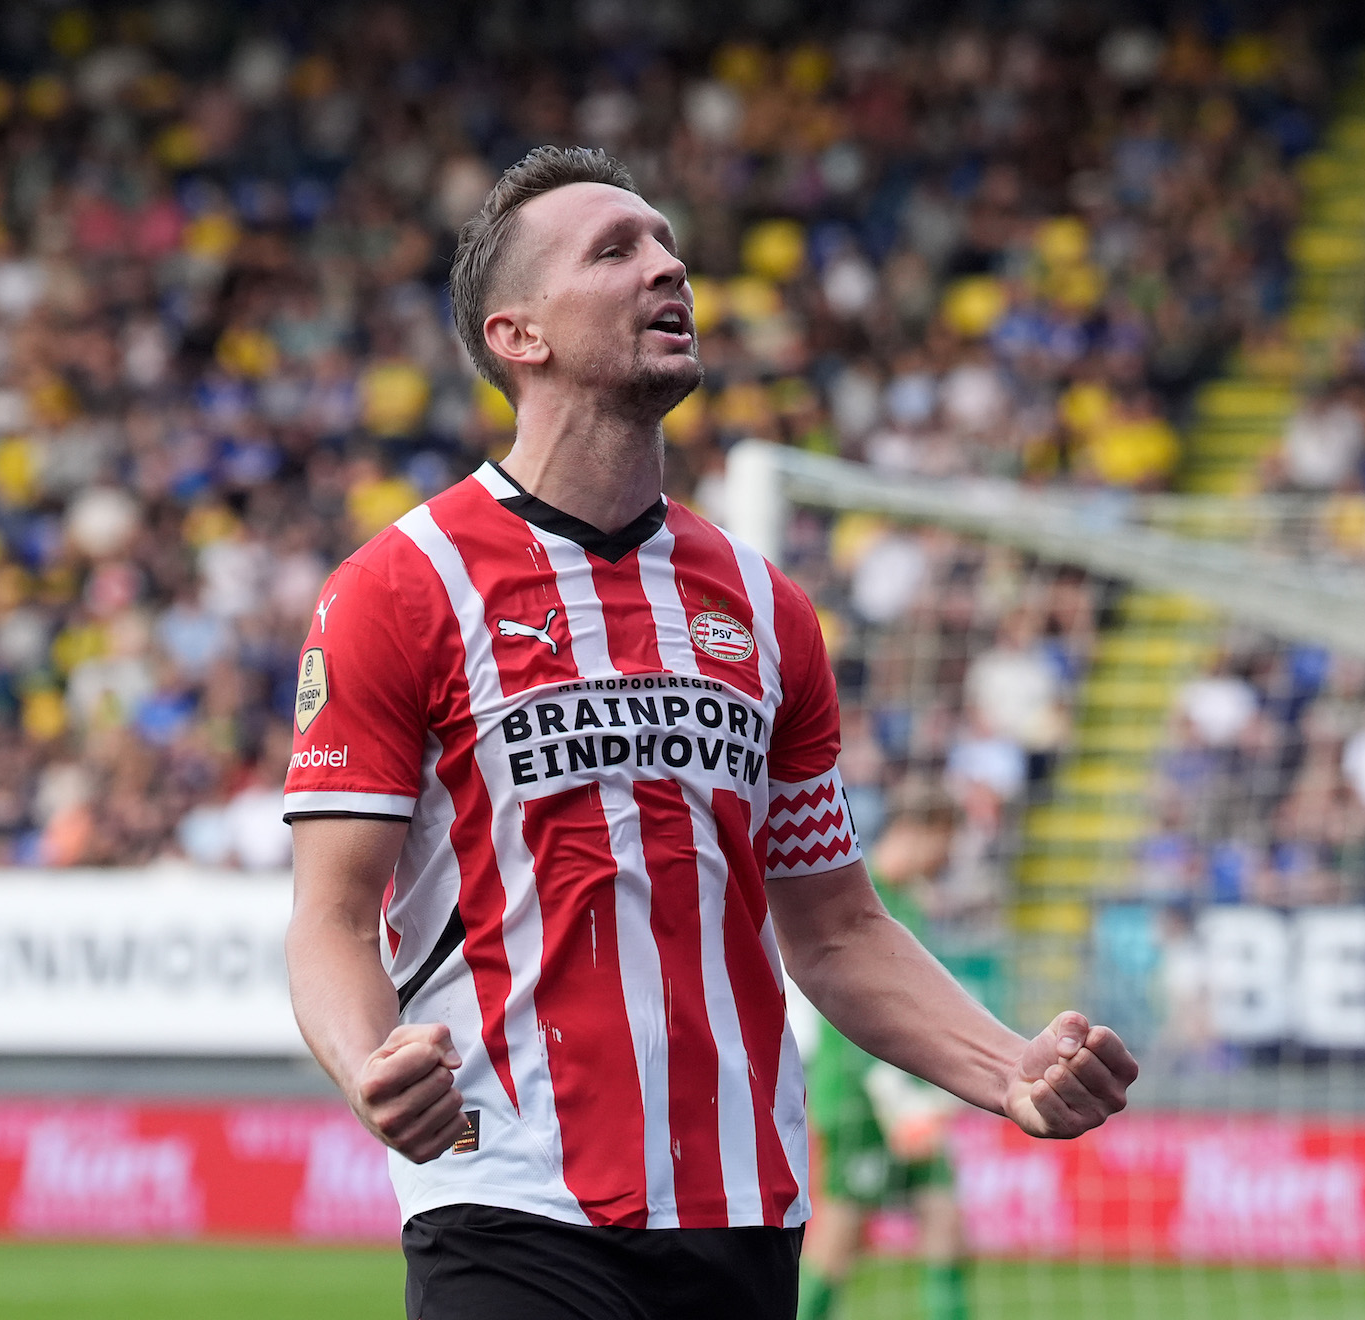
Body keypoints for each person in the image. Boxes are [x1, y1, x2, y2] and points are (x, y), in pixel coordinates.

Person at [281, 145, 1137, 1320]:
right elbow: (327, 916)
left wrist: (1009, 1068)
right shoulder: (399, 588)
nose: (667, 266)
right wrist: (373, 1059)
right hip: (510, 1202)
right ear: (516, 335)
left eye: (669, 243)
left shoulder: (766, 605)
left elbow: (835, 929)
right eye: (616, 249)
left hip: (743, 1213)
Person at [800, 782, 972, 1320]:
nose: (947, 859)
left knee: (946, 1222)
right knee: (841, 1240)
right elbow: (851, 1011)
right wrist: (895, 1100)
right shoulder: (860, 898)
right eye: (947, 843)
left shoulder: (907, 903)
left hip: (906, 1101)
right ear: (922, 832)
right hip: (860, 1099)